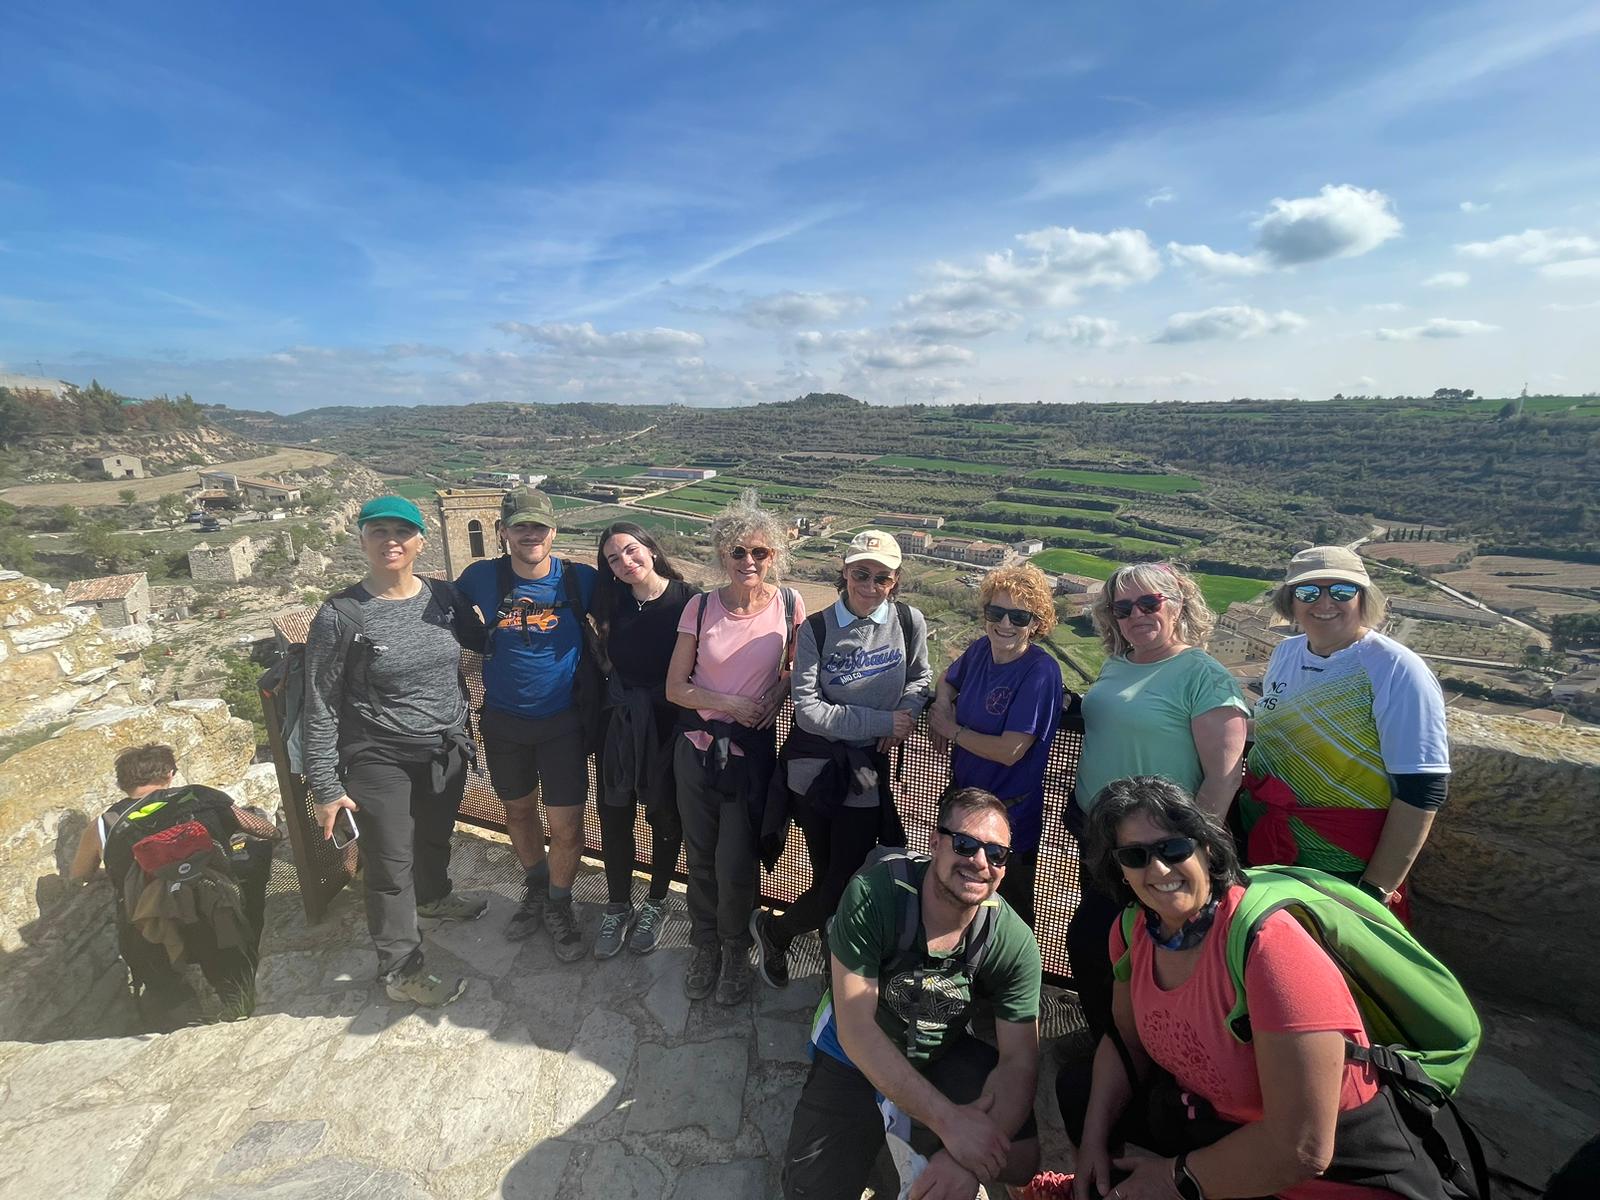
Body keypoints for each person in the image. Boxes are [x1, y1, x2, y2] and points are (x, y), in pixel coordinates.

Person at [1070, 776, 1421, 1200]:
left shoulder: (1268, 948)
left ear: (1207, 848)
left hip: (1324, 1174)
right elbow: (1126, 1042)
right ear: (1121, 871)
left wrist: (1171, 1179)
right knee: (1077, 1089)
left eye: (1173, 848)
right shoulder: (1134, 931)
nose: (1158, 869)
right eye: (1135, 856)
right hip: (1215, 1125)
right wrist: (1093, 1141)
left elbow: (1303, 1148)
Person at [781, 787, 1042, 1200]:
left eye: (996, 854)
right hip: (855, 1053)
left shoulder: (1011, 939)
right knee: (810, 1190)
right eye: (965, 844)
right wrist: (950, 1122)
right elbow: (857, 1030)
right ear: (935, 843)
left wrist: (964, 1159)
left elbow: (1020, 1059)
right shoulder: (874, 895)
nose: (980, 862)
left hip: (938, 1046)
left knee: (1021, 1160)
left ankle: (907, 1135)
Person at [305, 495, 486, 1007]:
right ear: (362, 539)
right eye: (379, 531)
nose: (391, 541)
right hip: (378, 753)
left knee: (434, 834)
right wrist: (325, 785)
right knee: (390, 864)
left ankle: (433, 898)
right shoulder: (340, 616)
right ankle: (401, 970)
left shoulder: (444, 598)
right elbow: (320, 701)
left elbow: (485, 642)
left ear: (419, 542)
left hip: (444, 744)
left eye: (402, 532)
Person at [1065, 561, 1248, 1051]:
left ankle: (1140, 1053)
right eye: (1123, 608)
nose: (1136, 615)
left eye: (1149, 603)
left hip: (1156, 848)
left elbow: (1225, 776)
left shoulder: (1203, 674)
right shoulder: (1117, 663)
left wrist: (1191, 853)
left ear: (1178, 605)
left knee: (1123, 946)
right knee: (1107, 945)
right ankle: (1111, 1046)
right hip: (1098, 833)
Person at [751, 529, 932, 989]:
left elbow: (920, 677)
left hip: (865, 771)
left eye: (882, 577)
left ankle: (777, 931)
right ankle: (824, 946)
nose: (870, 585)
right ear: (845, 572)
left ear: (895, 580)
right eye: (861, 573)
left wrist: (907, 714)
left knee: (846, 876)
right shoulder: (816, 629)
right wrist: (882, 722)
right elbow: (808, 712)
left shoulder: (908, 622)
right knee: (828, 871)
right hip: (814, 768)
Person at [1240, 547, 1450, 922]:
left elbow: (1423, 787)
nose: (1324, 603)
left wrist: (1374, 892)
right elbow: (1276, 728)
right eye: (1307, 592)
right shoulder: (1286, 653)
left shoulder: (1394, 667)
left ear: (1363, 598)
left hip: (1338, 860)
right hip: (1261, 837)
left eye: (1341, 590)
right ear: (1290, 601)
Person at [665, 489, 804, 1005]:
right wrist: (731, 703)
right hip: (698, 749)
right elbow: (675, 688)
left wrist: (776, 696)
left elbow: (794, 670)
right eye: (738, 551)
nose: (749, 561)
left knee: (737, 861)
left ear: (774, 556)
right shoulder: (701, 607)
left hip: (751, 756)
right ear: (722, 555)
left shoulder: (789, 604)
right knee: (700, 855)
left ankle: (735, 949)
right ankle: (706, 945)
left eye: (759, 552)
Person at [456, 487, 600, 962]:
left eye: (539, 526)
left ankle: (559, 903)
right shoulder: (481, 577)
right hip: (504, 723)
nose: (531, 534)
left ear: (553, 531)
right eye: (521, 526)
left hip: (563, 724)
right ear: (503, 532)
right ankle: (536, 888)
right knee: (517, 813)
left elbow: (637, 608)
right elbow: (438, 614)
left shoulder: (580, 580)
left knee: (567, 826)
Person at [70, 743, 277, 1029]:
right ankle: (241, 1009)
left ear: (122, 783)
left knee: (166, 990)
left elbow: (80, 873)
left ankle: (186, 1026)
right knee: (234, 975)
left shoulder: (104, 825)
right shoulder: (201, 797)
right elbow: (264, 829)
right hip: (212, 913)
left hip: (149, 922)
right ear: (169, 773)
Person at [927, 562, 1063, 932]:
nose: (1005, 624)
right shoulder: (980, 651)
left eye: (1019, 617)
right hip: (963, 807)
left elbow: (1010, 750)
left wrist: (952, 730)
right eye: (996, 612)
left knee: (1008, 914)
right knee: (954, 897)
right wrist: (943, 703)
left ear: (1035, 623)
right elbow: (947, 679)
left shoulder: (1040, 671)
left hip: (1009, 815)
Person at [590, 521, 694, 958]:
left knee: (666, 820)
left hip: (670, 728)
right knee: (614, 817)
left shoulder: (689, 600)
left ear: (651, 549)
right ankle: (618, 904)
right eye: (614, 559)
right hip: (619, 725)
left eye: (632, 550)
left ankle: (656, 902)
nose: (626, 562)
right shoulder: (609, 601)